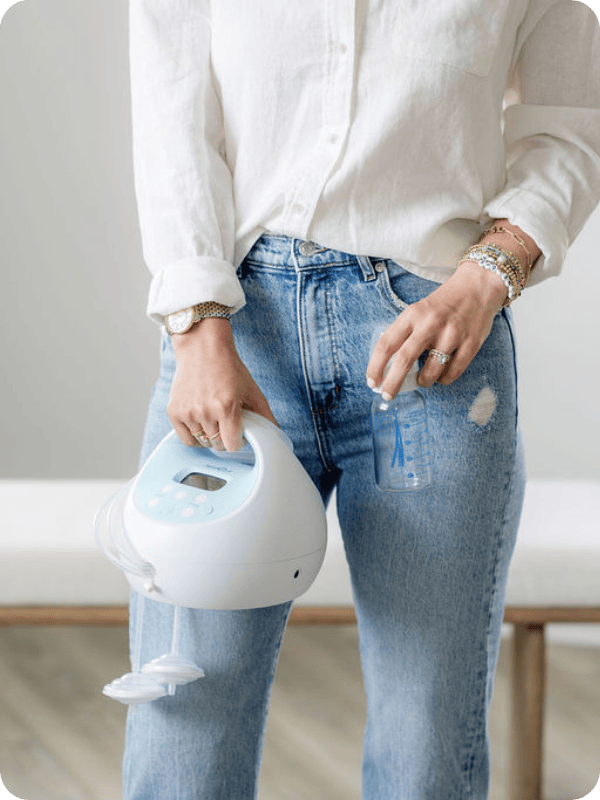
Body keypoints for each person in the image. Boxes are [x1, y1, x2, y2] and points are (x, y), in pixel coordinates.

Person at [123, 1, 600, 798]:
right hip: (234, 339)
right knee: (184, 717)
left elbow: (573, 125)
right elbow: (172, 104)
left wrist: (486, 278)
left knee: (426, 740)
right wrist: (199, 331)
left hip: (435, 351)